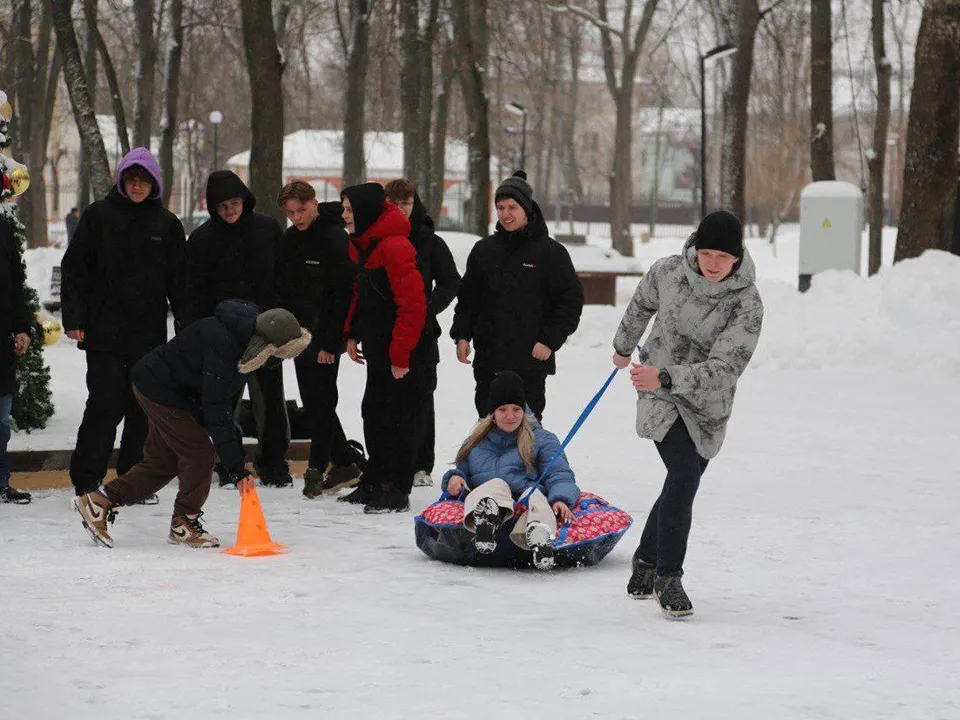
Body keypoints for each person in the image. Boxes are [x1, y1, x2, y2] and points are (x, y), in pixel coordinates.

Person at [612, 210, 764, 618]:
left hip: (705, 402)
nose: (712, 264)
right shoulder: (668, 273)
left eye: (723, 257)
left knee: (683, 479)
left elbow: (726, 368)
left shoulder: (746, 303)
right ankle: (668, 576)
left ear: (737, 258)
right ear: (695, 249)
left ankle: (645, 560)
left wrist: (665, 376)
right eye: (706, 253)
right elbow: (641, 305)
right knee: (683, 474)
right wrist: (624, 346)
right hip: (657, 390)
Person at [73, 301, 311, 548]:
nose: (273, 362)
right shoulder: (226, 348)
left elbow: (221, 407)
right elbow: (217, 409)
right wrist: (237, 468)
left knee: (164, 461)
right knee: (200, 454)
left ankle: (100, 501)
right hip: (161, 390)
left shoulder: (241, 338)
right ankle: (184, 521)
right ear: (264, 346)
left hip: (168, 388)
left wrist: (233, 453)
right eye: (275, 355)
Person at [61, 147, 185, 499]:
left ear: (155, 184)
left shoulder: (167, 225)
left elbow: (180, 281)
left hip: (148, 333)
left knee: (143, 407)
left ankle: (134, 479)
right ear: (121, 181)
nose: (137, 186)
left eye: (144, 181)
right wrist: (75, 318)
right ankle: (87, 479)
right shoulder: (98, 216)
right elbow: (75, 268)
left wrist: (186, 326)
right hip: (104, 331)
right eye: (131, 180)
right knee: (104, 403)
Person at [450, 170, 583, 421]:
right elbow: (468, 299)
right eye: (500, 207)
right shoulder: (484, 250)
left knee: (526, 432)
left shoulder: (551, 253)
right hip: (489, 361)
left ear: (527, 209)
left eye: (512, 207)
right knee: (488, 428)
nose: (505, 214)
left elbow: (570, 301)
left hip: (530, 362)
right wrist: (462, 334)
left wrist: (549, 340)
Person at [185, 170, 291, 487]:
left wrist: (284, 317)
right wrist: (197, 331)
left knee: (270, 400)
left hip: (266, 330)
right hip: (223, 334)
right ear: (213, 207)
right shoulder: (202, 240)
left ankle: (273, 463)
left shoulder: (268, 229)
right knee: (223, 401)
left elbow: (284, 276)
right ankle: (227, 463)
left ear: (244, 200)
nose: (230, 210)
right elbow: (192, 290)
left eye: (234, 203)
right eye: (222, 206)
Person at [339, 182, 428, 513]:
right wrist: (350, 333)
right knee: (373, 413)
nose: (344, 215)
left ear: (363, 211)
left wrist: (400, 356)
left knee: (399, 419)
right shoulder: (363, 245)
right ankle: (375, 478)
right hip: (378, 349)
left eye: (349, 209)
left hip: (401, 353)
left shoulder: (394, 246)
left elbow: (413, 306)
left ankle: (397, 487)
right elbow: (358, 294)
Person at [275, 180, 365, 499]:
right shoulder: (289, 239)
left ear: (314, 204)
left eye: (301, 210)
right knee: (312, 403)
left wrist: (332, 342)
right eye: (290, 213)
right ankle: (344, 461)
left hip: (326, 335)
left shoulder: (334, 238)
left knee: (323, 400)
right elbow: (286, 291)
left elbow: (342, 296)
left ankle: (316, 467)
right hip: (299, 336)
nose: (296, 217)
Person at [441, 371, 579, 570]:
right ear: (493, 413)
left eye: (516, 409)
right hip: (492, 500)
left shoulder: (541, 439)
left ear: (524, 410)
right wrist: (454, 478)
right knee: (496, 485)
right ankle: (487, 521)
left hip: (525, 503)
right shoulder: (476, 443)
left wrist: (561, 499)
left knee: (536, 496)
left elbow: (559, 473)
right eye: (502, 409)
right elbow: (462, 473)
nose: (510, 416)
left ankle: (539, 535)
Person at [384, 179, 461, 487]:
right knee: (386, 398)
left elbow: (450, 281)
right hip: (386, 330)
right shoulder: (377, 238)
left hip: (421, 332)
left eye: (406, 203)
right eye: (394, 203)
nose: (400, 209)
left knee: (420, 398)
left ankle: (420, 464)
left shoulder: (429, 242)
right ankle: (388, 458)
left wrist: (426, 307)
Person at [0, 217, 34, 504]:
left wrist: (22, 327)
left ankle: (0, 483)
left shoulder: (3, 228)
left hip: (0, 343)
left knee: (0, 419)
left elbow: (15, 286)